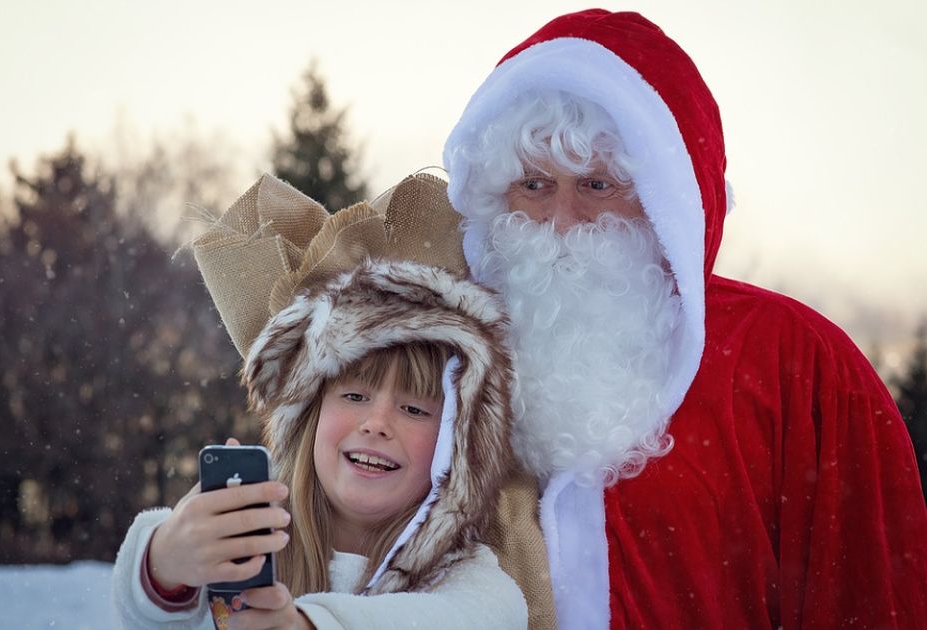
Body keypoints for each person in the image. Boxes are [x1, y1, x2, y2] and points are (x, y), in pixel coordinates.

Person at [442, 9, 927, 630]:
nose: (562, 221)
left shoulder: (796, 362)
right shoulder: (437, 360)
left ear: (665, 197)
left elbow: (868, 598)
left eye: (596, 184)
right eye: (533, 185)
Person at [111, 173, 528, 629]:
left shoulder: (476, 587)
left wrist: (306, 624)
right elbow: (153, 618)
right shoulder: (248, 542)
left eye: (414, 409)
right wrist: (165, 563)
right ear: (309, 416)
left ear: (457, 445)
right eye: (353, 395)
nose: (376, 423)